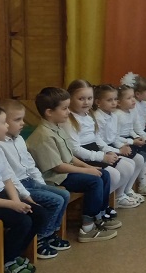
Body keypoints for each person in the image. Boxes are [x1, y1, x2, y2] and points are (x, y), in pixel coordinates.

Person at [26, 87, 119, 242]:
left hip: (65, 172)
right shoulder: (44, 135)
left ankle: (99, 216)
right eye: (64, 108)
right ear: (49, 112)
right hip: (55, 177)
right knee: (94, 181)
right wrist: (87, 172)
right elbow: (58, 167)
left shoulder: (57, 128)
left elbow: (70, 157)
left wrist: (89, 167)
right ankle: (87, 228)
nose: (68, 112)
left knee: (104, 174)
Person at [0, 100, 71, 259]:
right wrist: (24, 195)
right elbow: (9, 177)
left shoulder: (19, 139)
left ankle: (50, 233)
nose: (22, 123)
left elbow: (30, 165)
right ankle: (41, 239)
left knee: (63, 195)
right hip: (18, 188)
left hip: (31, 182)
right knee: (56, 200)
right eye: (17, 120)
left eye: (22, 119)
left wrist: (42, 185)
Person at [65, 80, 141, 210]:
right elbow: (75, 149)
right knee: (114, 174)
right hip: (82, 157)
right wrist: (102, 157)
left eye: (89, 98)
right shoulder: (69, 120)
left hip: (94, 151)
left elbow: (97, 140)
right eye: (81, 99)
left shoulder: (89, 115)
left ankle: (106, 201)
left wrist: (112, 151)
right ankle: (99, 205)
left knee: (129, 165)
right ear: (70, 98)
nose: (86, 102)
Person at [0, 105, 46, 273]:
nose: (7, 125)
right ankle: (6, 261)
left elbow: (7, 179)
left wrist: (16, 201)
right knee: (22, 221)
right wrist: (12, 205)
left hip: (0, 196)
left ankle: (12, 254)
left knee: (39, 214)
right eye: (3, 123)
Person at [92, 84, 146, 204]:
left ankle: (125, 191)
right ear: (98, 102)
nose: (114, 103)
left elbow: (115, 137)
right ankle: (117, 197)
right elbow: (99, 142)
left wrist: (122, 146)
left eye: (115, 99)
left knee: (138, 160)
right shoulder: (98, 117)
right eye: (109, 100)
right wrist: (118, 151)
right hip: (102, 150)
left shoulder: (113, 116)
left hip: (111, 147)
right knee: (127, 166)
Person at [114, 85, 146, 194]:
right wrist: (133, 141)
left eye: (133, 97)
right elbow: (115, 136)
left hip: (131, 138)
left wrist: (143, 137)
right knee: (142, 154)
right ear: (119, 102)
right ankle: (142, 185)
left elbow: (133, 129)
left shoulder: (132, 111)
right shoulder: (117, 115)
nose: (133, 100)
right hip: (122, 142)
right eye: (129, 98)